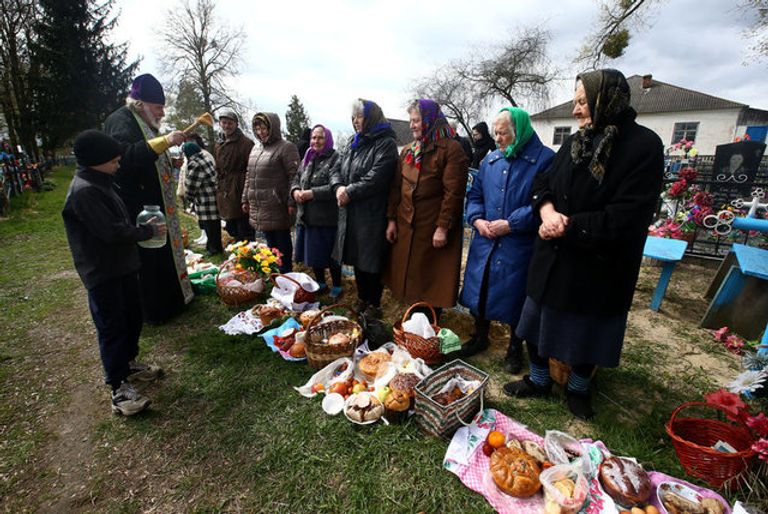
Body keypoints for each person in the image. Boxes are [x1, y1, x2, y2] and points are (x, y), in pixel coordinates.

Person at [503, 69, 664, 420]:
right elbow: (544, 181)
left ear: (606, 100)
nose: (576, 111)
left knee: (586, 329)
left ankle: (578, 388)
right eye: (576, 102)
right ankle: (540, 379)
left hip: (598, 260)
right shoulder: (577, 142)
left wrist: (569, 226)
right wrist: (546, 213)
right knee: (536, 319)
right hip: (553, 252)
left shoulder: (643, 147)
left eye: (582, 102)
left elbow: (630, 213)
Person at [62, 130, 165, 416]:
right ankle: (118, 388)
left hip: (123, 267)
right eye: (114, 161)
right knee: (112, 327)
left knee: (132, 318)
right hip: (103, 272)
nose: (119, 165)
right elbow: (109, 231)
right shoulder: (84, 191)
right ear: (98, 160)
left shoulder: (103, 182)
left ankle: (128, 364)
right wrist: (146, 231)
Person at [457, 108, 555, 372]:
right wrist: (477, 220)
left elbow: (544, 203)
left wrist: (512, 224)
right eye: (495, 132)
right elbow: (475, 196)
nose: (497, 139)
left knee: (516, 295)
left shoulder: (545, 159)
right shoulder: (491, 161)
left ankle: (515, 347)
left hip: (518, 244)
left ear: (519, 131)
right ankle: (479, 336)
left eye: (503, 133)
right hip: (486, 238)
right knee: (481, 287)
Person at [103, 73, 193, 325]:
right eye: (158, 107)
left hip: (157, 204)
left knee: (162, 253)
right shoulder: (120, 121)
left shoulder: (144, 122)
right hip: (138, 206)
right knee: (149, 258)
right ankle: (156, 310)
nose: (162, 113)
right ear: (140, 105)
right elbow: (126, 157)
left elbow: (150, 157)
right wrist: (165, 141)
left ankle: (173, 300)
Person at [384, 100, 469, 317]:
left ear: (430, 120)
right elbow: (396, 187)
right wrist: (392, 219)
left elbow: (453, 193)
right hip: (406, 223)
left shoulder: (451, 149)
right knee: (410, 276)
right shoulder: (409, 151)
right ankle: (413, 323)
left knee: (430, 279)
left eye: (417, 120)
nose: (412, 125)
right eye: (411, 121)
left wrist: (442, 227)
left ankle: (428, 327)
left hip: (431, 225)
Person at [330, 99, 398, 318]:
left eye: (359, 116)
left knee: (371, 259)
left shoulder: (385, 143)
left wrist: (349, 191)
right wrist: (339, 187)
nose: (355, 121)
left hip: (372, 212)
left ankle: (374, 303)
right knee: (358, 257)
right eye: (353, 117)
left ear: (371, 118)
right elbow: (336, 168)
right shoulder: (354, 141)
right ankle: (362, 297)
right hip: (351, 211)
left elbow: (377, 177)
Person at [242, 112, 299, 273]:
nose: (260, 132)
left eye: (264, 128)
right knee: (270, 242)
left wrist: (291, 201)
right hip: (260, 205)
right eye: (257, 128)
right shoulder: (255, 148)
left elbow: (294, 176)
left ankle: (286, 272)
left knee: (282, 240)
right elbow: (249, 175)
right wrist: (245, 198)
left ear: (272, 128)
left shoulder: (286, 147)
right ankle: (274, 271)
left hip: (278, 204)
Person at [291, 124, 343, 298]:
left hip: (327, 217)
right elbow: (297, 178)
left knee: (331, 254)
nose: (316, 141)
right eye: (313, 137)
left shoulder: (335, 158)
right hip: (308, 216)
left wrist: (312, 193)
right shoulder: (308, 157)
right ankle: (320, 283)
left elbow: (334, 186)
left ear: (327, 139)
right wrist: (296, 191)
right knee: (313, 253)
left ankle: (337, 285)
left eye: (320, 137)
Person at [215, 109, 256, 242]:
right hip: (225, 186)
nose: (226, 126)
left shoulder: (246, 143)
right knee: (231, 225)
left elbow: (251, 168)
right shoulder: (219, 143)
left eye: (230, 123)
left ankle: (248, 253)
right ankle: (237, 251)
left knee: (243, 224)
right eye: (224, 122)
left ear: (236, 124)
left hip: (240, 186)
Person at [183, 141, 222, 255]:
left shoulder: (195, 163)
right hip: (213, 196)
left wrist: (189, 197)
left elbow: (192, 184)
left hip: (205, 199)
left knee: (209, 226)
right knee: (215, 225)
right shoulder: (205, 159)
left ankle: (213, 249)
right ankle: (216, 247)